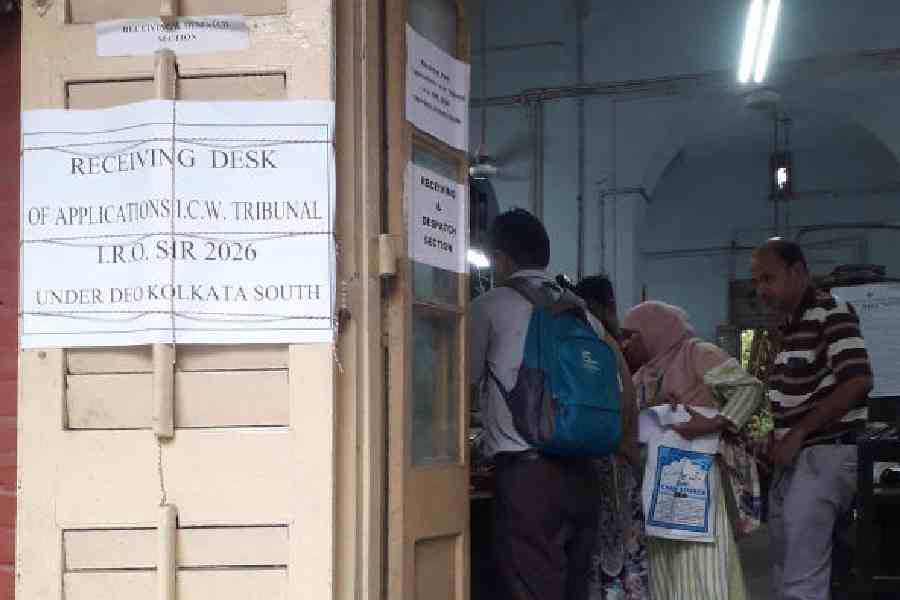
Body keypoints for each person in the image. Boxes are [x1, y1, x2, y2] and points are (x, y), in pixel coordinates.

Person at [468, 209, 620, 600]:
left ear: (500, 258)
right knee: (574, 589)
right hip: (585, 475)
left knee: (532, 589)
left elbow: (458, 381)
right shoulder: (582, 313)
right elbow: (618, 386)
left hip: (528, 480)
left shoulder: (490, 305)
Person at [751, 238, 873, 600]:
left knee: (803, 576)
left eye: (768, 279)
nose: (761, 290)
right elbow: (792, 400)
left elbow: (858, 380)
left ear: (798, 272)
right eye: (756, 282)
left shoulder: (831, 312)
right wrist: (771, 435)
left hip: (824, 454)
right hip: (796, 460)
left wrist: (798, 434)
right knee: (785, 565)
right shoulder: (790, 329)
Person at [621, 301, 765, 600]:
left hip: (697, 480)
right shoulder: (642, 376)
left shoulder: (697, 353)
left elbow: (749, 389)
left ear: (654, 330)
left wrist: (714, 422)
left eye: (632, 334)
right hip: (660, 480)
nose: (627, 343)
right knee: (666, 562)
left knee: (701, 560)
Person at [574, 275, 650, 600]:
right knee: (624, 556)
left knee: (611, 556)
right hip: (620, 460)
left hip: (611, 460)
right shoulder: (607, 343)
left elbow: (610, 408)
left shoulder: (593, 342)